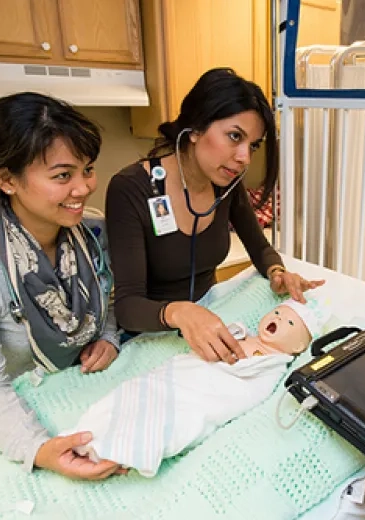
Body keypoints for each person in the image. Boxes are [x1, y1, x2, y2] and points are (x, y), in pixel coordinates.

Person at [0, 92, 124, 480]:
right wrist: (39, 450)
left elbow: (109, 298)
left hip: (89, 398)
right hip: (14, 428)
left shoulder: (91, 230)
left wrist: (107, 335)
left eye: (87, 169)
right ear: (6, 180)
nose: (84, 188)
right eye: (62, 176)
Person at [105, 67, 323, 364]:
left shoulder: (227, 184)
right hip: (150, 334)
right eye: (235, 136)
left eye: (253, 145)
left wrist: (277, 273)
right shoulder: (129, 189)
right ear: (195, 128)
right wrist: (181, 312)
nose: (244, 157)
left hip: (211, 317)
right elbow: (128, 306)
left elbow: (259, 248)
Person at [63, 298, 330, 477]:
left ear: (298, 348)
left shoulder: (273, 365)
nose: (280, 319)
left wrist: (240, 367)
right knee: (136, 391)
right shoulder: (240, 334)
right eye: (278, 313)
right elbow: (205, 344)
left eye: (290, 324)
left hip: (204, 394)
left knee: (177, 418)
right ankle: (89, 432)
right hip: (179, 378)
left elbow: (248, 393)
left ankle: (123, 450)